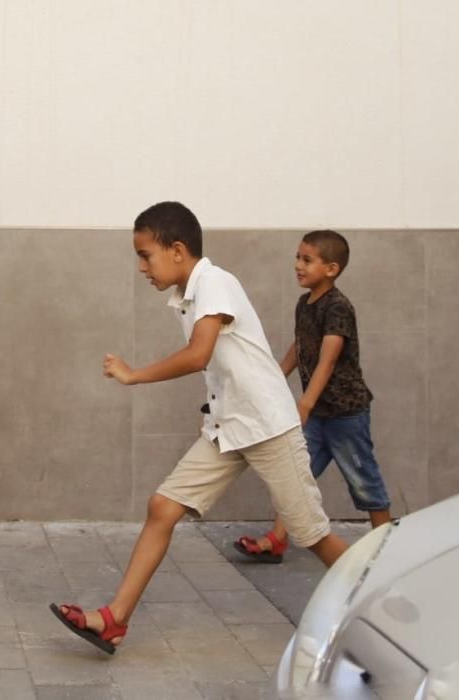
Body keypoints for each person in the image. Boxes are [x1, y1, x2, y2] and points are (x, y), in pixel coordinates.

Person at [49, 201, 348, 654]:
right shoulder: (188, 293)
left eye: (145, 255)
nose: (141, 267)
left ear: (177, 250)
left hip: (268, 427)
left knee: (312, 535)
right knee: (162, 507)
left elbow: (199, 353)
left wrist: (134, 375)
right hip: (229, 429)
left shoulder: (214, 282)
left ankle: (388, 599)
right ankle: (114, 620)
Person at [235, 230, 391, 563]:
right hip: (319, 414)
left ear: (331, 269)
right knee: (294, 475)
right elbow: (301, 346)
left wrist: (304, 403)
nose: (298, 265)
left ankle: (386, 549)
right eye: (297, 258)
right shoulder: (305, 304)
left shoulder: (337, 307)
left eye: (307, 260)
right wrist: (273, 378)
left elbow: (328, 358)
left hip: (345, 415)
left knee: (364, 481)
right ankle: (277, 539)